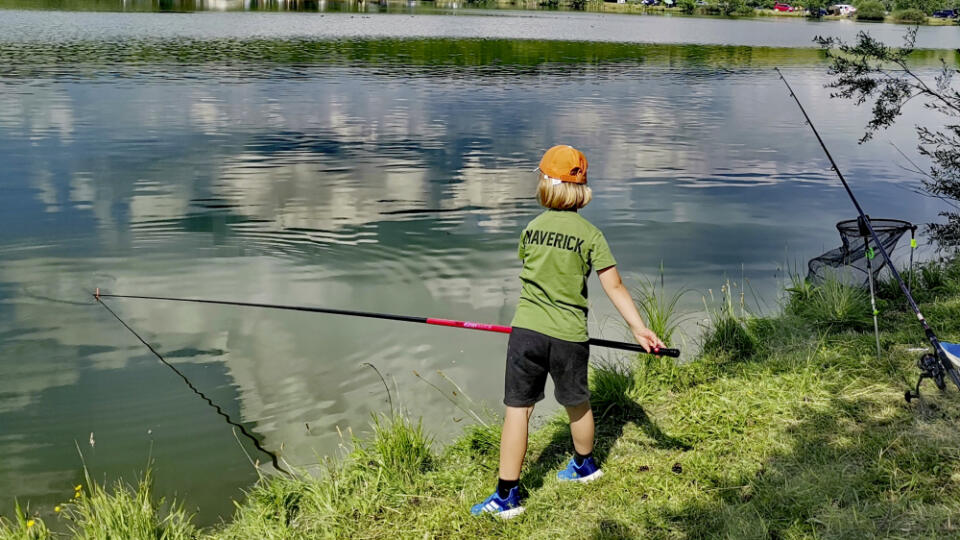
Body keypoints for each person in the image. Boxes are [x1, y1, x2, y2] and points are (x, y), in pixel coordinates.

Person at [471, 145, 665, 519]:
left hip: (527, 331)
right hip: (570, 336)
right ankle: (584, 466)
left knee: (518, 409)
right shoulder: (592, 235)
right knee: (577, 403)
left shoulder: (531, 229)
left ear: (545, 185)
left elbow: (529, 269)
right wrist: (640, 329)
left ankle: (506, 497)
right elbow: (615, 286)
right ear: (582, 189)